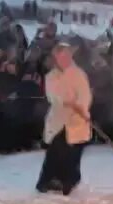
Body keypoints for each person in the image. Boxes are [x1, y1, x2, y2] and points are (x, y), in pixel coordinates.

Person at [36, 43, 92, 195]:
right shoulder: (51, 76)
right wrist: (65, 102)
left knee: (73, 153)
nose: (64, 60)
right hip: (58, 119)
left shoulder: (79, 74)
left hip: (77, 120)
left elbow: (85, 94)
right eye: (60, 57)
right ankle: (48, 181)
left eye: (66, 56)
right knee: (55, 152)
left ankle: (68, 181)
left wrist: (80, 106)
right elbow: (52, 96)